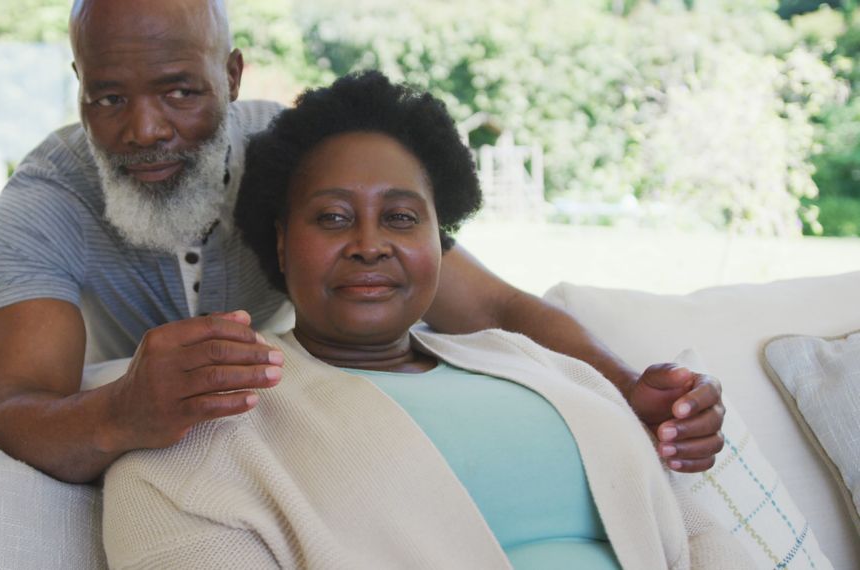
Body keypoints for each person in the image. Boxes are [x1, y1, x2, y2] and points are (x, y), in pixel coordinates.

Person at [0, 0, 724, 484]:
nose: (144, 131)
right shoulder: (43, 204)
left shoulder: (299, 156)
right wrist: (121, 411)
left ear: (231, 75)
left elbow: (489, 303)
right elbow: (15, 410)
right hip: (136, 449)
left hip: (296, 418)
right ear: (78, 84)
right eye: (108, 98)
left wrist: (627, 388)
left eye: (180, 91)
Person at [100, 70, 753, 570]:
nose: (369, 243)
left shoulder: (536, 366)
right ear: (279, 242)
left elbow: (699, 534)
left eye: (402, 216)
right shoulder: (212, 424)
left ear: (440, 240)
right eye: (332, 217)